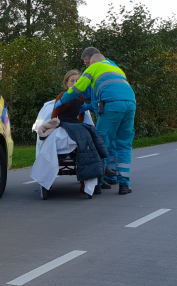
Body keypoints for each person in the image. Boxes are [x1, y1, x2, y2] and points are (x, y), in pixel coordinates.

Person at [57, 52, 136, 194]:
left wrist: (63, 100)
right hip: (130, 103)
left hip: (112, 105)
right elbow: (93, 94)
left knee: (100, 142)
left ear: (92, 61)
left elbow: (78, 89)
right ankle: (123, 184)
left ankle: (98, 184)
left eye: (86, 63)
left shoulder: (93, 68)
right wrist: (86, 106)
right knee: (124, 144)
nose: (86, 66)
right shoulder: (116, 68)